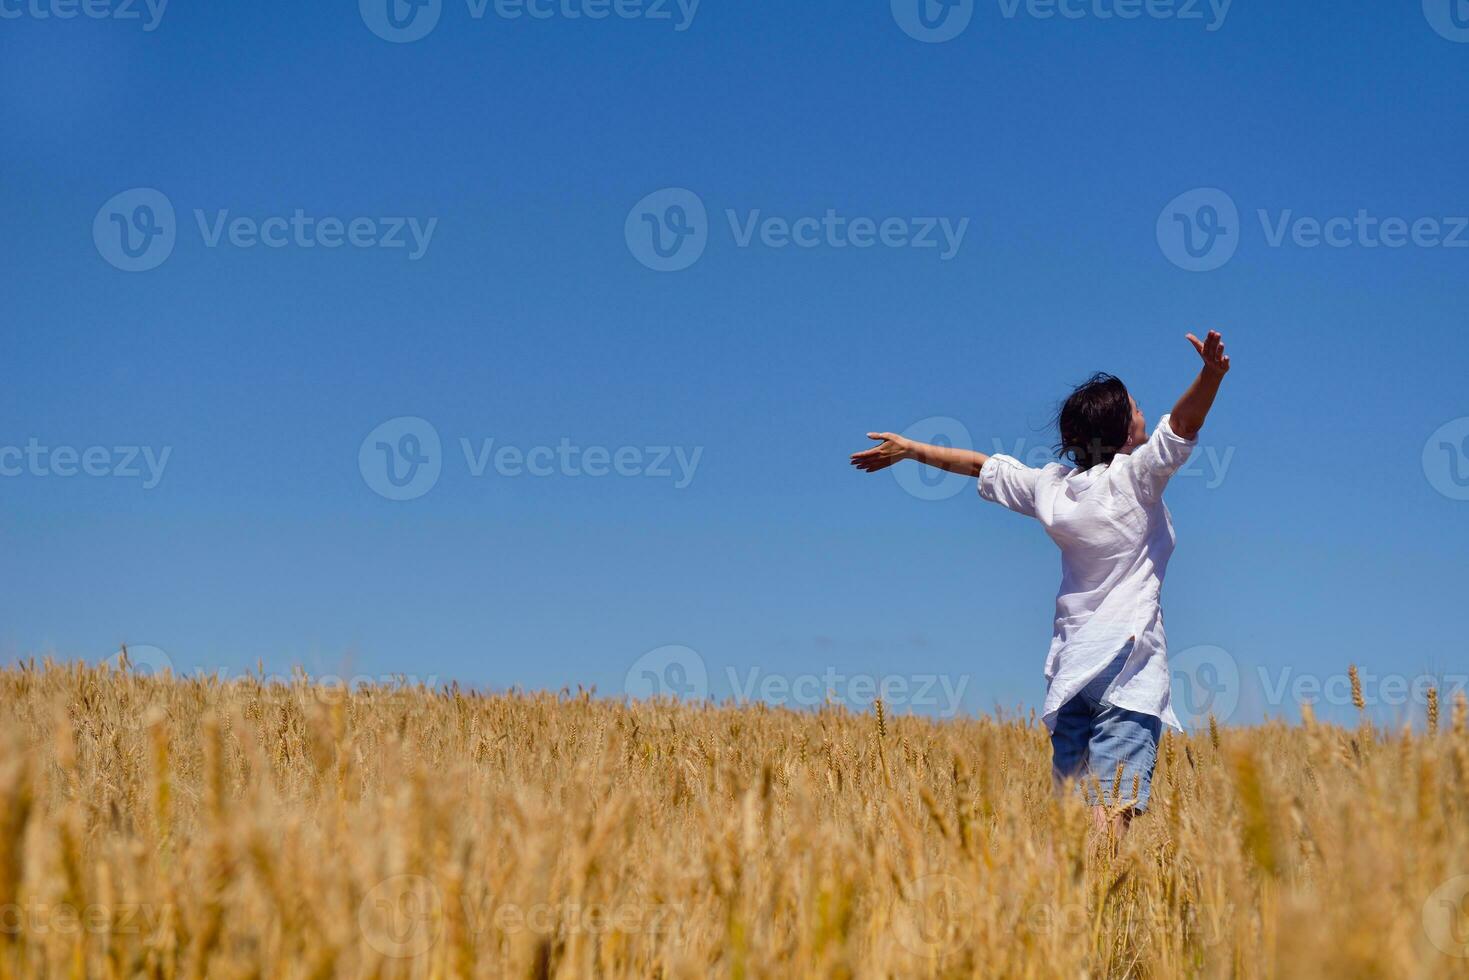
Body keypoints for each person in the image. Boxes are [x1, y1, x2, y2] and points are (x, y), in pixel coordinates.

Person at [849, 331, 1231, 829]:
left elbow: (979, 465)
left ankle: (1064, 897)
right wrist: (1210, 375)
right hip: (1127, 664)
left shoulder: (1051, 488)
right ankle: (1095, 897)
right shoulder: (1137, 478)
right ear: (1123, 432)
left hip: (1071, 669)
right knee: (1111, 811)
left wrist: (911, 449)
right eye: (1136, 409)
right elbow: (1183, 424)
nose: (1144, 413)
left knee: (1072, 816)